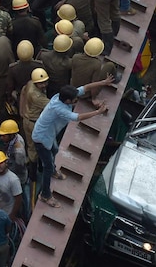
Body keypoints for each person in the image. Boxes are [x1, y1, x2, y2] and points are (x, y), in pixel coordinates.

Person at [32, 77, 113, 207]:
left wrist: (103, 82)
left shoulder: (62, 96)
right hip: (41, 139)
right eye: (75, 99)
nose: (77, 99)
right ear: (68, 100)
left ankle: (53, 170)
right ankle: (45, 195)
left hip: (49, 134)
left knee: (55, 150)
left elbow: (85, 87)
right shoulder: (59, 109)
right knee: (47, 166)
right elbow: (78, 117)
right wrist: (98, 112)